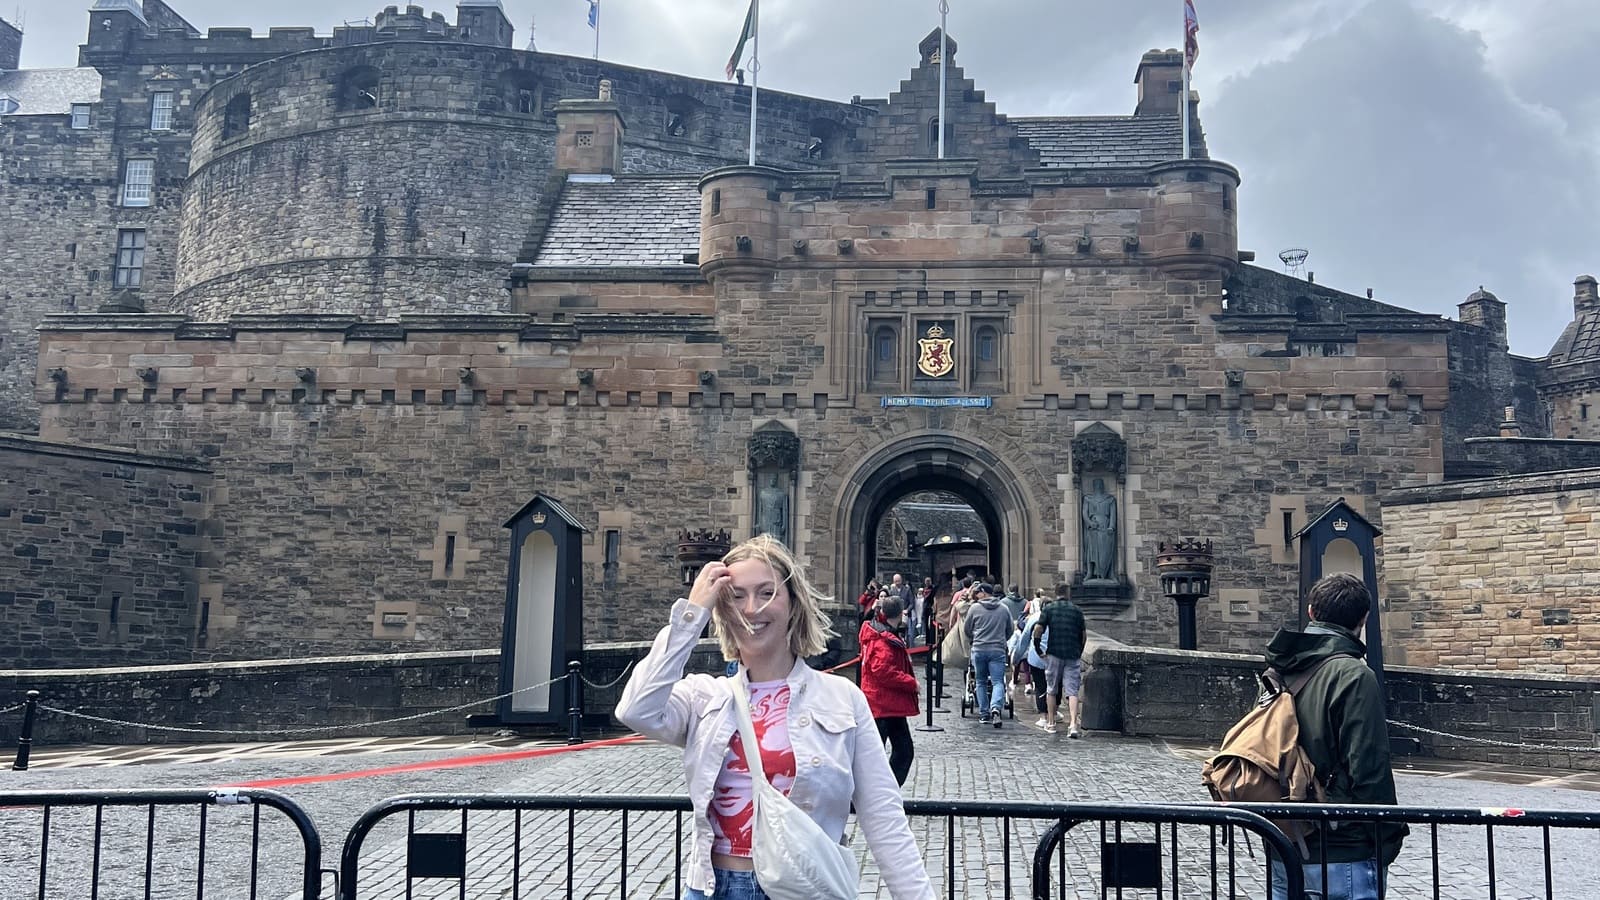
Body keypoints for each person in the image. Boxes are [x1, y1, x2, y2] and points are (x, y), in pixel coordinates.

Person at [616, 535, 935, 900]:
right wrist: (692, 615)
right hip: (712, 889)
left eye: (767, 592)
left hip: (805, 890)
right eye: (736, 596)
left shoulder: (842, 699)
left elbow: (884, 818)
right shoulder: (704, 697)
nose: (752, 608)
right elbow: (636, 709)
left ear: (792, 604)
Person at [1265, 573, 1408, 900]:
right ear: (1364, 619)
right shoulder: (1355, 676)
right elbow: (1370, 771)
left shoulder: (1277, 671)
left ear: (1312, 612)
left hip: (1284, 843)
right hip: (1343, 851)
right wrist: (1388, 839)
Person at [859, 596, 919, 786]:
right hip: (883, 704)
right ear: (900, 613)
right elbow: (882, 671)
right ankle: (878, 792)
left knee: (901, 751)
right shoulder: (883, 640)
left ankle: (885, 790)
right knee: (889, 753)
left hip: (889, 704)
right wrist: (911, 683)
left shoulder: (880, 632)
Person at [1032, 583, 1086, 736]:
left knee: (1051, 689)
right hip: (1072, 654)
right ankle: (1073, 724)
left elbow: (1038, 629)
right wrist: (1079, 651)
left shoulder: (1049, 609)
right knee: (1072, 690)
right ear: (1068, 593)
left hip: (1054, 652)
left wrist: (1038, 648)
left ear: (1056, 593)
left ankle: (1050, 723)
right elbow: (1083, 635)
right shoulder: (1077, 610)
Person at [962, 583, 1015, 727]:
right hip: (997, 649)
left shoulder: (974, 608)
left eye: (978, 592)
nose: (976, 594)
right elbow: (1010, 629)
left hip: (979, 648)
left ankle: (984, 713)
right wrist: (1002, 639)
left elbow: (967, 629)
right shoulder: (1004, 609)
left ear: (984, 593)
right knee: (998, 681)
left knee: (980, 681)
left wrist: (974, 638)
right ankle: (996, 708)